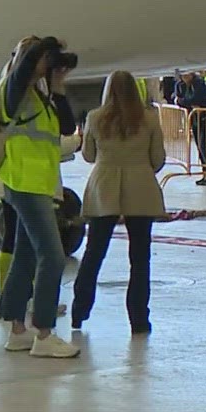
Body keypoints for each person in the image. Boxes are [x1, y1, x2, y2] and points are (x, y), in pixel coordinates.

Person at [0, 36, 82, 359]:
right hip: (24, 182)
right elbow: (25, 65)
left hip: (39, 184)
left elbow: (67, 126)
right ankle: (43, 332)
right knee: (53, 255)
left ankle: (17, 329)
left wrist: (57, 84)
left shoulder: (39, 94)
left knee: (27, 256)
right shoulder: (12, 89)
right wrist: (43, 45)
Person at [71, 71, 166, 334]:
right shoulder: (148, 119)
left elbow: (89, 156)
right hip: (141, 186)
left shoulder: (94, 117)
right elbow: (158, 158)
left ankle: (79, 311)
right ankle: (138, 319)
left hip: (104, 185)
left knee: (94, 253)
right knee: (140, 258)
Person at [172, 70, 206, 185]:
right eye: (183, 75)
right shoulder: (180, 85)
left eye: (188, 74)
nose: (186, 77)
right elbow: (176, 98)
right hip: (195, 119)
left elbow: (195, 99)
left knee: (203, 146)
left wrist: (182, 101)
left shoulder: (199, 83)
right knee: (200, 147)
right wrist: (182, 101)